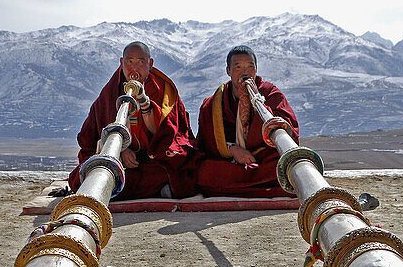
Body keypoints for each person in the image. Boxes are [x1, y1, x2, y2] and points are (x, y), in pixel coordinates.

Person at [68, 41, 196, 199]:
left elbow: (165, 133)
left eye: (140, 62)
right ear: (121, 63)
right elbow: (90, 136)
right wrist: (119, 150)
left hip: (153, 157)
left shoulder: (162, 89)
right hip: (117, 157)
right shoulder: (110, 91)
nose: (134, 69)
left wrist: (145, 103)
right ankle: (158, 189)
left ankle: (127, 190)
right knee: (81, 176)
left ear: (150, 63)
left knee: (179, 166)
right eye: (129, 62)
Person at [195, 45, 299, 198]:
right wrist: (231, 149)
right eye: (238, 67)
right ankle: (264, 188)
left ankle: (236, 189)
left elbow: (287, 130)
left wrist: (259, 102)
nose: (245, 72)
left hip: (262, 158)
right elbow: (206, 142)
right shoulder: (215, 102)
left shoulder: (269, 93)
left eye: (250, 67)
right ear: (228, 71)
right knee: (204, 171)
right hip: (230, 160)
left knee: (284, 166)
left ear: (256, 69)